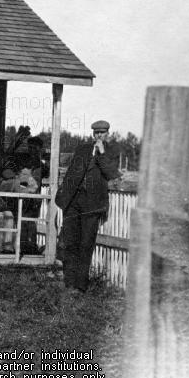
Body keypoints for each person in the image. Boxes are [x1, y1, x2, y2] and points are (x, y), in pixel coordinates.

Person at [54, 120, 122, 292]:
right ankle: (69, 283)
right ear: (93, 133)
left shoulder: (112, 152)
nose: (99, 136)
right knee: (70, 242)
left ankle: (81, 286)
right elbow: (71, 172)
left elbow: (111, 173)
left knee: (86, 244)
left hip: (93, 205)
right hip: (73, 202)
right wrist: (62, 196)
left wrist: (102, 153)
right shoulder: (83, 149)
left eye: (102, 133)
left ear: (107, 134)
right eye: (96, 133)